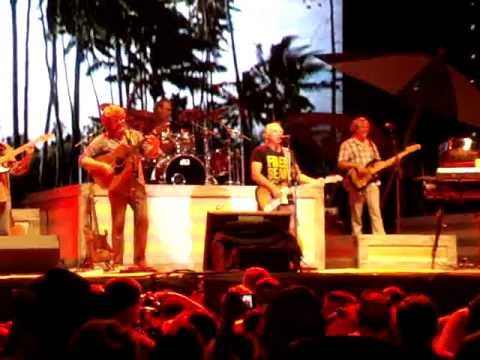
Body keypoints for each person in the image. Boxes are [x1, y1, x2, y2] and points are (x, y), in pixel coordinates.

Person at [79, 104, 160, 268]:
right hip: (116, 187)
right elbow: (83, 159)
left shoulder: (135, 136)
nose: (121, 122)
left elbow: (150, 153)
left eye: (121, 118)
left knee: (142, 221)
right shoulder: (102, 141)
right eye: (115, 120)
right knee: (118, 225)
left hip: (136, 185)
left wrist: (156, 146)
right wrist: (103, 166)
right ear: (107, 123)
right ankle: (117, 263)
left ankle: (140, 261)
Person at [250, 122, 316, 211]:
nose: (279, 134)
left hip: (285, 193)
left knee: (292, 216)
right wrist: (272, 188)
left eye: (281, 132)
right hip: (266, 192)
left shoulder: (288, 153)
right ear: (267, 136)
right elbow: (255, 175)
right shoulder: (259, 151)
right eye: (275, 131)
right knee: (272, 216)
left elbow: (297, 176)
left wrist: (315, 182)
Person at [338, 116, 385, 235]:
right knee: (357, 215)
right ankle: (357, 241)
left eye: (367, 127)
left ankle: (380, 240)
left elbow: (377, 161)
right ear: (355, 129)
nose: (366, 130)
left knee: (376, 212)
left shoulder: (371, 144)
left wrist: (388, 163)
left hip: (372, 182)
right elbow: (341, 163)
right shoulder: (347, 144)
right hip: (356, 184)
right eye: (362, 127)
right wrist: (356, 165)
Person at [0, 141, 34, 235]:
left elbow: (17, 169)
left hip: (1, 200)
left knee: (3, 234)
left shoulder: (3, 149)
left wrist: (28, 156)